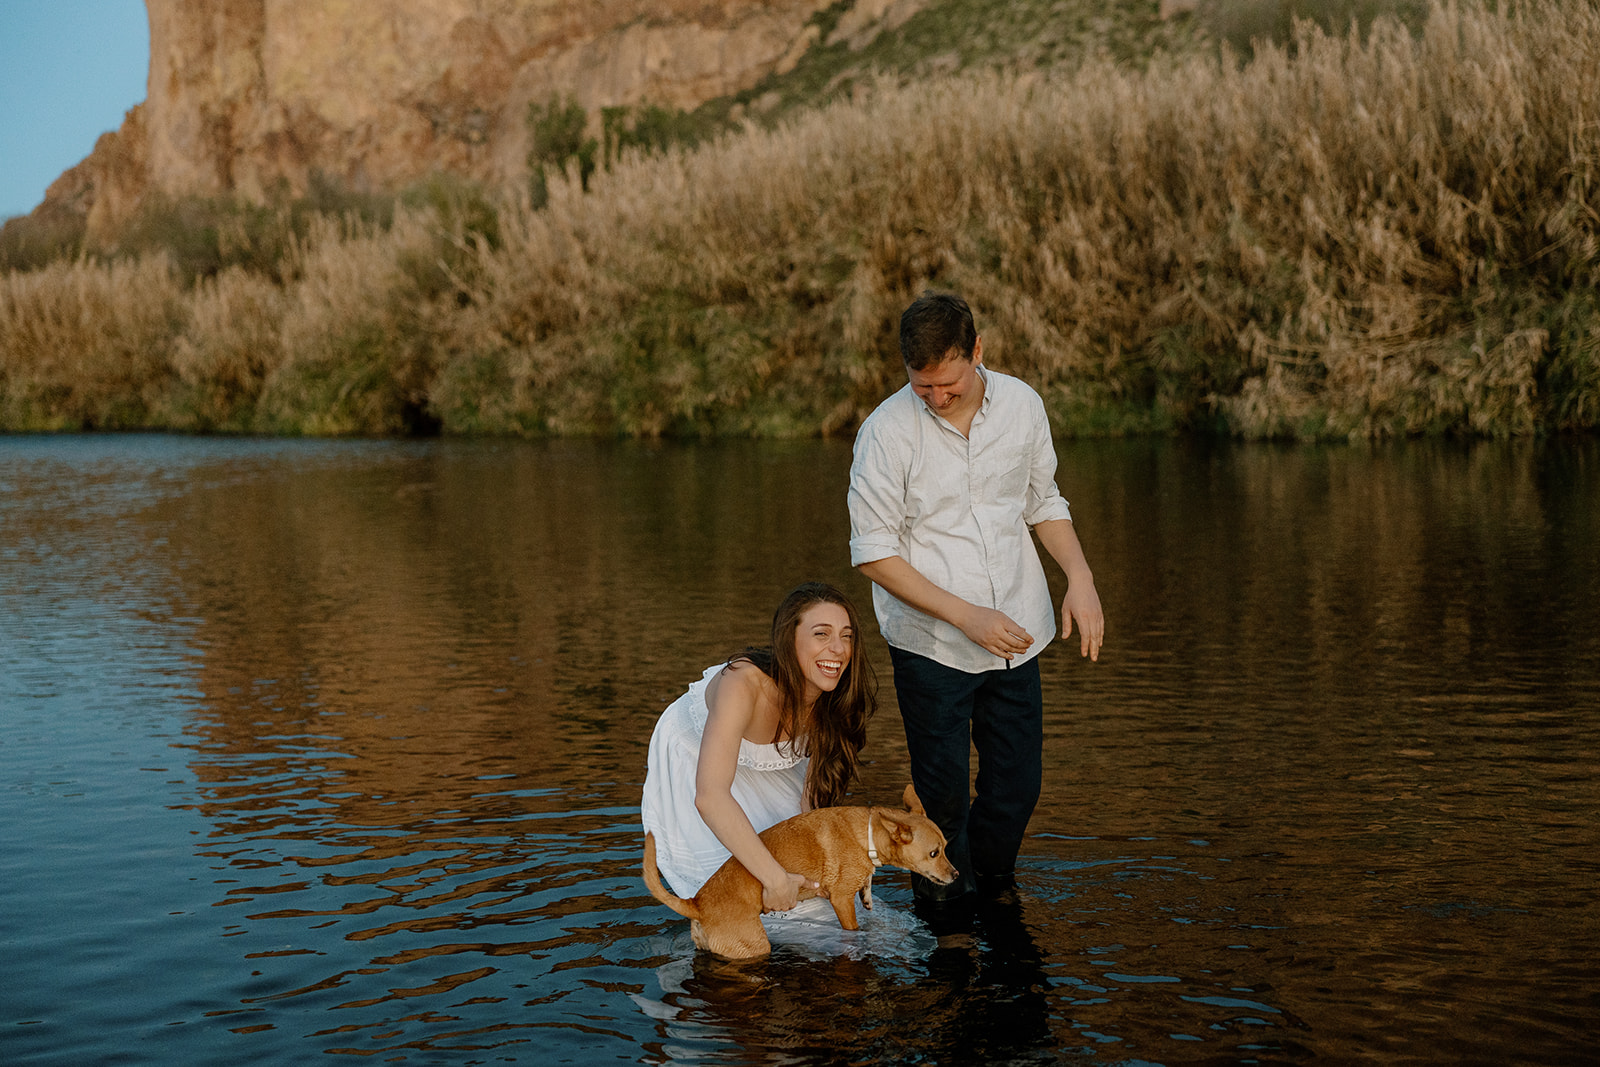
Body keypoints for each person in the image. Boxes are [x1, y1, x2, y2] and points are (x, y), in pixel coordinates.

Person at [847, 290, 1104, 910]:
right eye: (923, 385)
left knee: (1017, 788)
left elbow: (1043, 502)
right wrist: (966, 615)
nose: (936, 397)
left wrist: (1081, 577)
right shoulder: (885, 433)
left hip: (1019, 631)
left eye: (950, 385)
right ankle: (946, 930)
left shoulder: (1022, 404)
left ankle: (988, 889)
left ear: (978, 351)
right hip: (930, 645)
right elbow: (874, 554)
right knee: (941, 803)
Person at [640, 581, 877, 911]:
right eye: (821, 634)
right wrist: (776, 880)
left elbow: (813, 801)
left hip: (771, 764)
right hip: (697, 760)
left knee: (820, 903)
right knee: (741, 895)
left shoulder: (834, 700)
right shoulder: (741, 684)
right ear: (789, 640)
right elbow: (709, 797)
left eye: (846, 636)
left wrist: (828, 870)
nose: (838, 648)